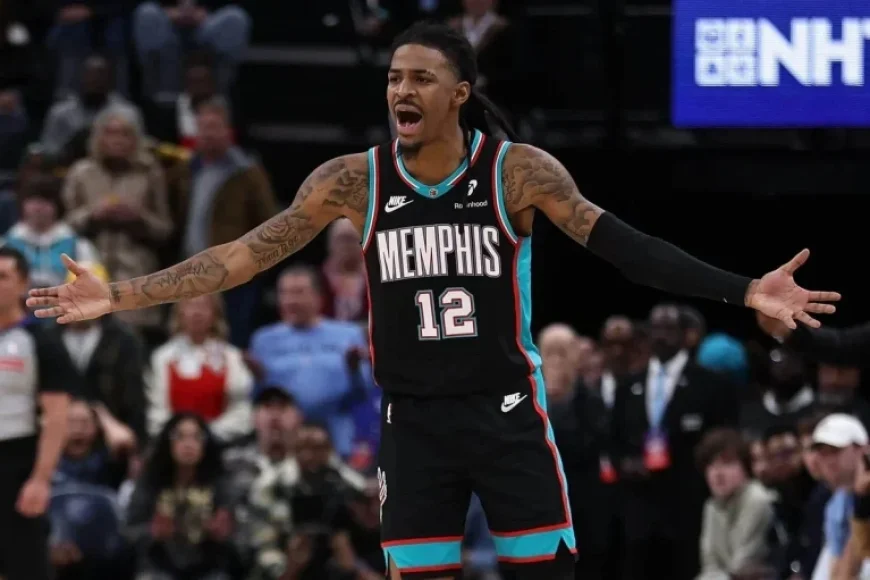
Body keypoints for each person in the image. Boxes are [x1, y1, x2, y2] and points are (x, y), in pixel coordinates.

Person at [27, 22, 840, 580]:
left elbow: (627, 248)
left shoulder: (518, 172)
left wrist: (743, 290)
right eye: (393, 78)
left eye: (421, 78)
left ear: (459, 93)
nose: (401, 90)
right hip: (412, 423)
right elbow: (240, 259)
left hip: (508, 415)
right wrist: (118, 296)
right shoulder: (353, 180)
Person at [0, 246, 74, 580]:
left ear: (23, 284)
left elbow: (57, 417)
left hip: (16, 463)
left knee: (25, 566)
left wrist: (41, 479)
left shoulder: (41, 340)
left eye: (3, 277)